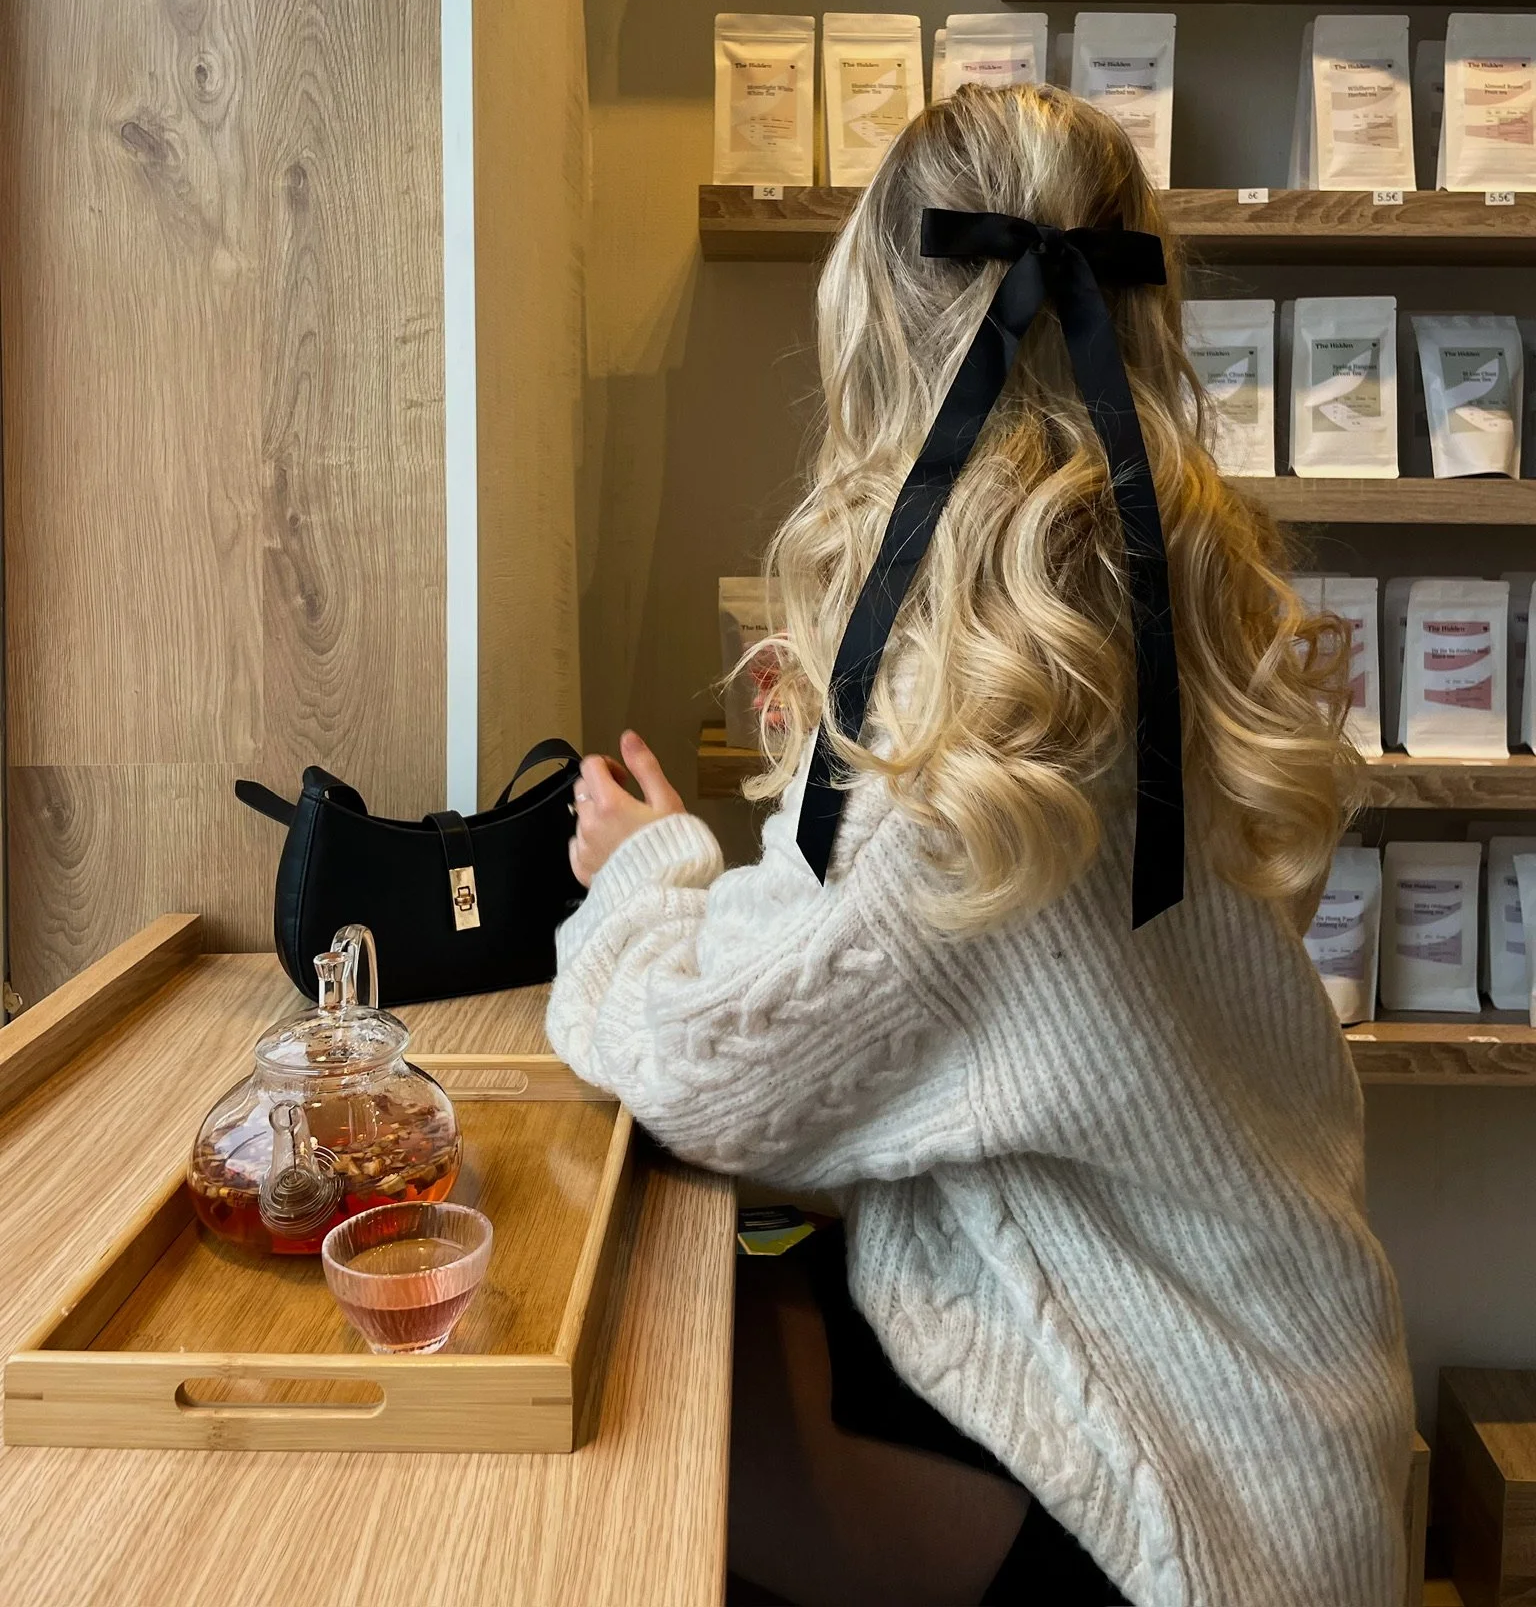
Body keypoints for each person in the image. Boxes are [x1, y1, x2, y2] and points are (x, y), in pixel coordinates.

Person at [546, 82, 1415, 1607]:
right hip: (1309, 1437)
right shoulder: (1195, 645)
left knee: (627, 1427)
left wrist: (642, 868)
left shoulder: (974, 768)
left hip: (1169, 1527)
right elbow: (919, 988)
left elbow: (709, 1071)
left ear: (877, 343)